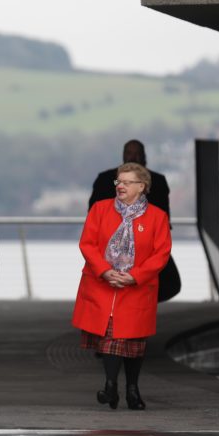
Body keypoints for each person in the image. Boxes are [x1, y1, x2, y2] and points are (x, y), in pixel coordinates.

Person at [72, 162, 171, 411]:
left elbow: (161, 254)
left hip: (137, 289)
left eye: (127, 182)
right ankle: (110, 387)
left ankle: (132, 390)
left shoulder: (158, 217)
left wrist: (135, 276)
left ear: (142, 187)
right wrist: (105, 271)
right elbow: (87, 244)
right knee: (109, 339)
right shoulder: (100, 209)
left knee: (134, 343)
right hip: (102, 286)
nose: (121, 186)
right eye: (119, 181)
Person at [88, 139, 180, 301]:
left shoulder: (157, 182)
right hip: (108, 249)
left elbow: (164, 221)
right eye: (129, 153)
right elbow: (93, 220)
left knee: (163, 287)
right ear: (123, 156)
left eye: (137, 154)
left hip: (146, 247)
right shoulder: (107, 180)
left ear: (144, 157)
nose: (133, 157)